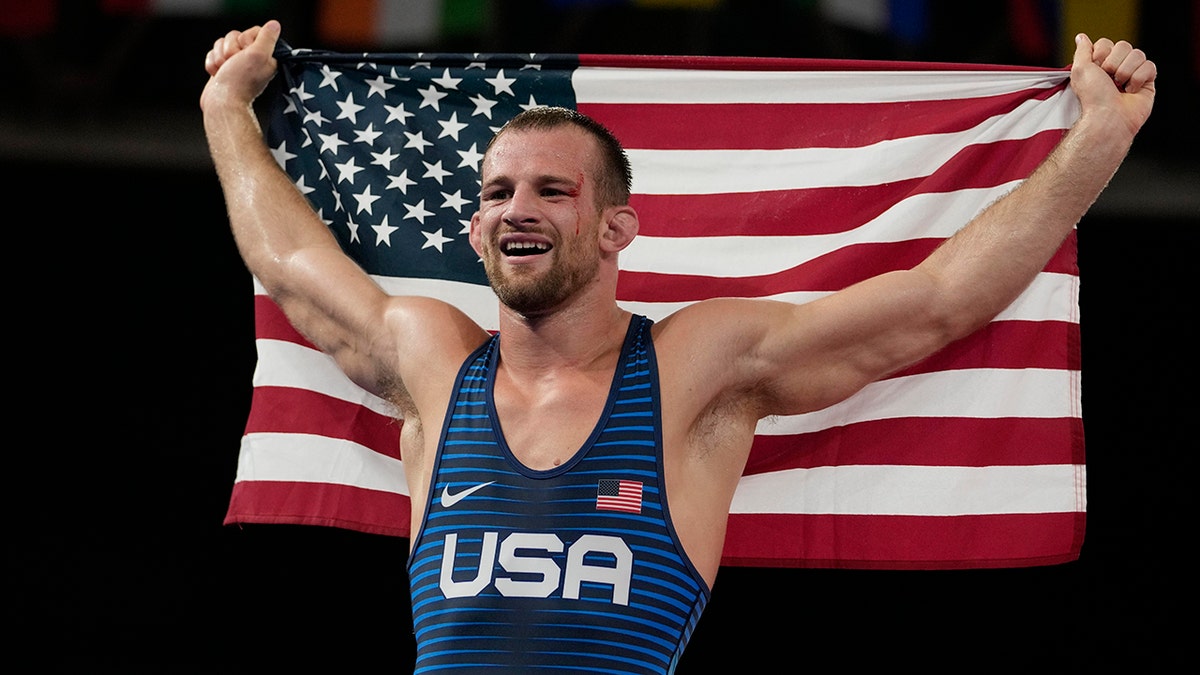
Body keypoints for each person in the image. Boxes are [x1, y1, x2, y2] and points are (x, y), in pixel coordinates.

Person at [202, 19, 1156, 673]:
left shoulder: (695, 367)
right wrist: (225, 111)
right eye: (496, 193)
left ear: (617, 230)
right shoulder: (434, 361)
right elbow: (290, 263)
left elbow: (939, 300)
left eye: (550, 190)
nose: (515, 209)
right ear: (475, 228)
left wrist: (1097, 144)